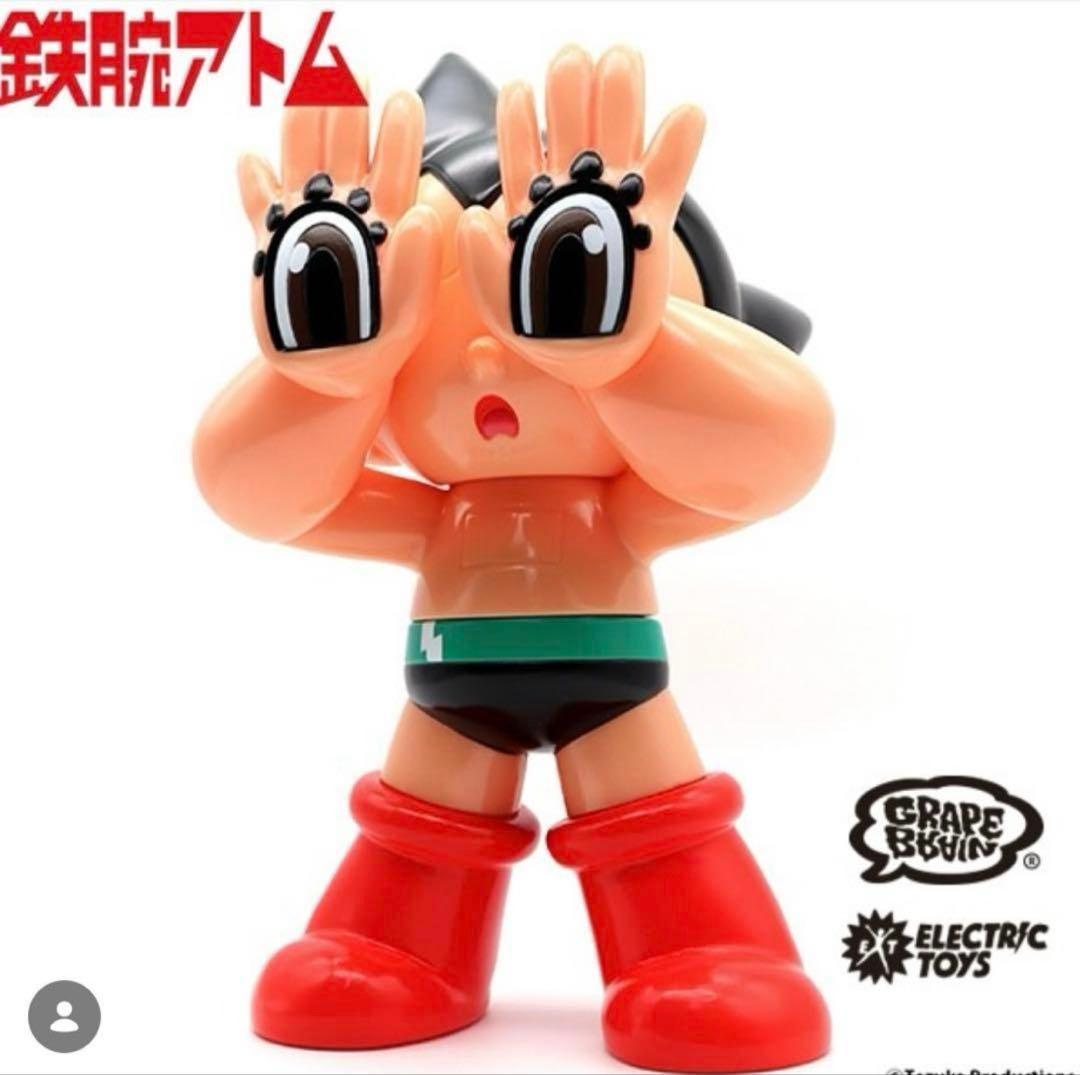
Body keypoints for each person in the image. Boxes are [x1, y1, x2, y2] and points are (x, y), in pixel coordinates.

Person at [194, 46, 833, 1073]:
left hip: (617, 698)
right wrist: (329, 374)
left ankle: (707, 951)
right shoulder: (434, 514)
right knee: (420, 826)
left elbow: (775, 457)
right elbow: (255, 494)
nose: (488, 355)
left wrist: (630, 354)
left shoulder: (621, 505)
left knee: (654, 823)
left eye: (561, 281)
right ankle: (399, 947)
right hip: (450, 703)